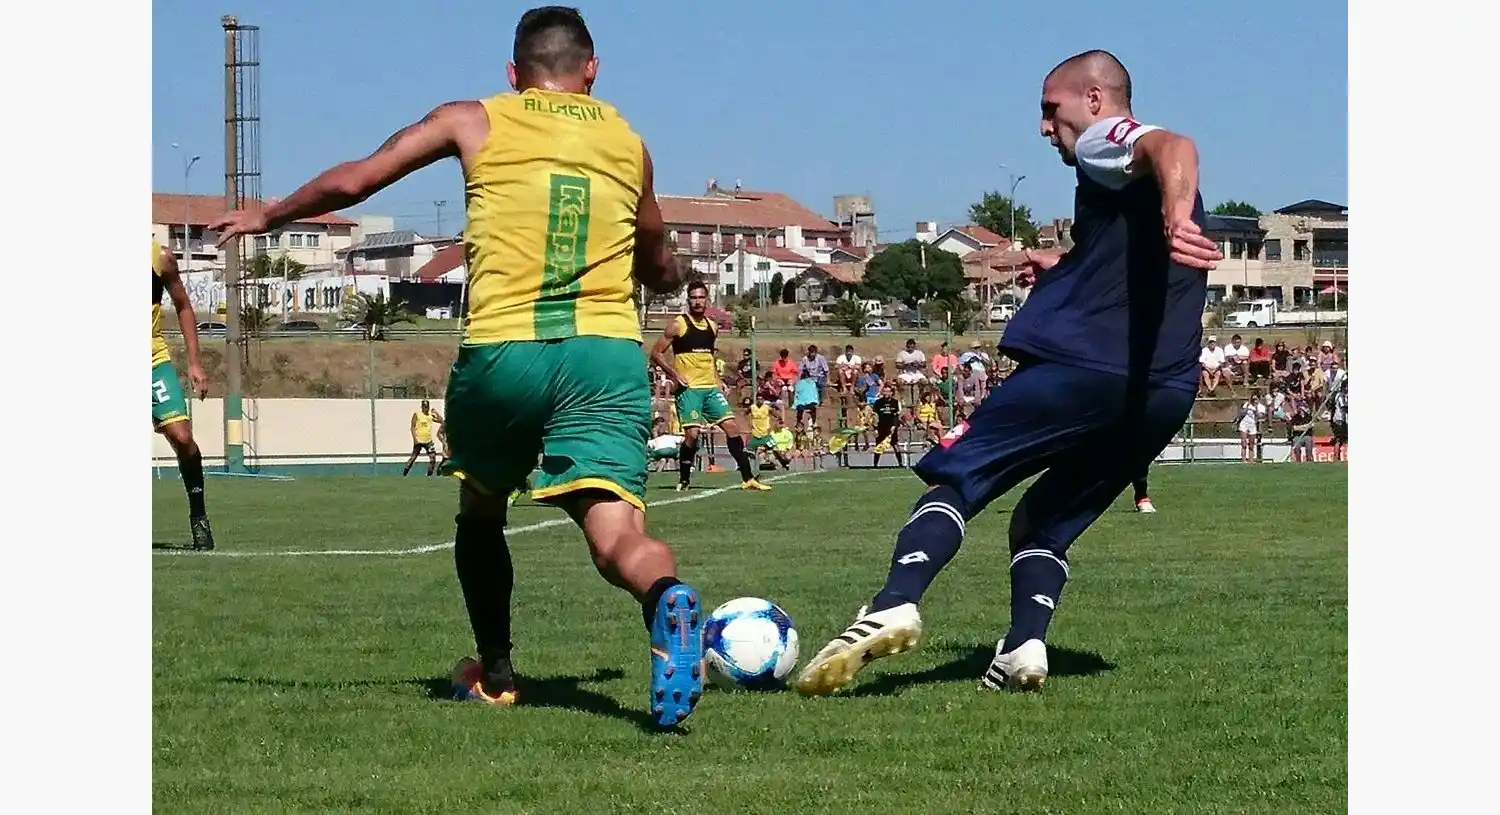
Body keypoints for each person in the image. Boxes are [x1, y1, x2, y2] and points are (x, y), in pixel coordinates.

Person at [209, 6, 707, 729]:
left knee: (481, 509)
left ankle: (496, 674)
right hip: (604, 356)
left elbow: (358, 181)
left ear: (514, 72)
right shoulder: (630, 145)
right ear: (592, 70)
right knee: (616, 533)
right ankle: (665, 597)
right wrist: (671, 273)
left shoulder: (472, 119)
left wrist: (269, 215)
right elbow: (656, 260)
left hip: (504, 352)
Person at [795, 49, 1223, 698]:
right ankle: (1024, 646)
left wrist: (1178, 213)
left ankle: (893, 602)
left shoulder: (1104, 139)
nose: (1045, 127)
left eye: (1052, 109)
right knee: (1041, 522)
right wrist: (1062, 264)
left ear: (1095, 100)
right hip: (1163, 393)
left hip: (1085, 370)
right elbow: (1126, 255)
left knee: (955, 478)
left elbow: (1173, 146)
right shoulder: (1119, 188)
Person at [649, 280, 772, 493]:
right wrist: (674, 375)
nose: (698, 301)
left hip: (710, 389)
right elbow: (655, 353)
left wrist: (718, 380)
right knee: (692, 434)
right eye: (694, 298)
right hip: (690, 390)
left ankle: (748, 478)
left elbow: (709, 358)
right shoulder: (678, 324)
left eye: (701, 297)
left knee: (732, 427)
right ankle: (684, 477)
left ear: (707, 299)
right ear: (688, 300)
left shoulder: (712, 327)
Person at [151, 240, 216, 551]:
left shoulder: (159, 257)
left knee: (182, 437)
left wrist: (195, 363)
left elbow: (183, 306)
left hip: (152, 362)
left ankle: (199, 516)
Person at [403, 399, 444, 477]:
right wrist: (415, 439)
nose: (426, 408)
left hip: (428, 441)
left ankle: (429, 476)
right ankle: (404, 474)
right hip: (419, 440)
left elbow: (441, 421)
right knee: (413, 458)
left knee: (433, 458)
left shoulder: (430, 416)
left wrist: (436, 413)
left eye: (427, 407)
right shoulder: (417, 414)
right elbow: (412, 427)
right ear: (422, 407)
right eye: (424, 407)